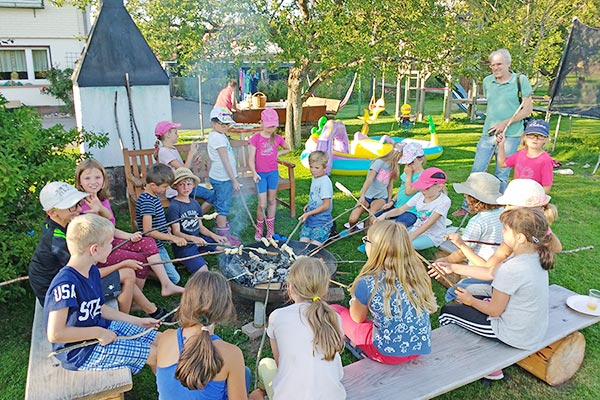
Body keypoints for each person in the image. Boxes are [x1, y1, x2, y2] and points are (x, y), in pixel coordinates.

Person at [433, 207, 553, 379]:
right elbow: (489, 273)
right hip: (531, 329)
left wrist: (470, 301)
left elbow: (495, 311)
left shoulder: (512, 268)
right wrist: (451, 267)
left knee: (447, 313)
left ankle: (480, 362)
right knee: (472, 295)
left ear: (519, 237)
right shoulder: (535, 255)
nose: (501, 231)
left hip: (513, 334)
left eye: (505, 229)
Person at [44, 214, 160, 374]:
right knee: (154, 354)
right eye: (110, 243)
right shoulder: (65, 284)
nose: (113, 246)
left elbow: (100, 308)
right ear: (95, 249)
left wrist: (137, 321)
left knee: (158, 339)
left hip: (100, 328)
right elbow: (56, 334)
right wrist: (98, 333)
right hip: (81, 352)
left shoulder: (91, 270)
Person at [75, 158, 184, 300]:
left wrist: (129, 235)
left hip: (110, 240)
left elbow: (110, 227)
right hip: (97, 250)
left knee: (147, 242)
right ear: (79, 181)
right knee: (139, 259)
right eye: (87, 178)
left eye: (97, 177)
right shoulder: (78, 204)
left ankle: (166, 284)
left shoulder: (102, 200)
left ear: (103, 179)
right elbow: (89, 231)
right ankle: (133, 298)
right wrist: (96, 211)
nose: (93, 181)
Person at [29, 182, 145, 314]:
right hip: (59, 295)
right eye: (71, 207)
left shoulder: (64, 223)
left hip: (68, 280)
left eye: (79, 203)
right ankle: (122, 323)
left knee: (125, 272)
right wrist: (122, 264)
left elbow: (107, 224)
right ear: (52, 212)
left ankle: (151, 309)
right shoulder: (57, 242)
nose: (79, 209)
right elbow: (87, 273)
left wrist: (97, 210)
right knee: (128, 274)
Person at [331, 221, 438, 364]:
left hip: (386, 353)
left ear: (376, 248)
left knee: (335, 310)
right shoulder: (418, 274)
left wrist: (353, 301)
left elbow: (357, 318)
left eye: (366, 240)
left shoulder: (367, 282)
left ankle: (360, 348)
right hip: (419, 347)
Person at [156, 270, 263, 400]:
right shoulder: (231, 354)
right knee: (244, 374)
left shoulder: (166, 337)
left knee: (244, 373)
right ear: (225, 309)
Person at [453, 48, 533, 217]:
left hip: (510, 135)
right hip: (488, 134)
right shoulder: (488, 81)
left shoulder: (520, 80)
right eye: (492, 65)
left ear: (508, 64)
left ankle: (496, 209)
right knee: (477, 171)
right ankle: (467, 206)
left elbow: (527, 110)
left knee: (501, 173)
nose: (495, 68)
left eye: (499, 64)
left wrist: (504, 123)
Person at [257, 257, 345, 399]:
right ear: (325, 290)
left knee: (265, 364)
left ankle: (261, 393)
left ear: (290, 287)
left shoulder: (277, 317)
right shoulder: (334, 317)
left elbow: (280, 362)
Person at [445, 178, 562, 275]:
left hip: (505, 281)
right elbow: (558, 248)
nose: (504, 209)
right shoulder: (540, 231)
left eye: (508, 205)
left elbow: (488, 269)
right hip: (526, 281)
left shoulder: (514, 236)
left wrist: (461, 247)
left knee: (458, 291)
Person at [435, 172, 504, 302]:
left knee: (453, 288)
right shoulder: (504, 212)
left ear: (472, 199)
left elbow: (463, 252)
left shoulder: (478, 222)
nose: (465, 198)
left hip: (480, 269)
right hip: (501, 266)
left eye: (466, 195)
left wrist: (447, 260)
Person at [166, 167, 229, 274]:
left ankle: (225, 267)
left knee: (226, 246)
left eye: (189, 184)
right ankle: (186, 260)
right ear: (175, 186)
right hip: (185, 245)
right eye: (181, 184)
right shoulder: (174, 207)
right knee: (203, 271)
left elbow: (200, 227)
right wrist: (193, 238)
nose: (186, 187)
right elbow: (176, 232)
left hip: (198, 239)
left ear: (193, 185)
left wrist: (215, 236)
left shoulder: (194, 204)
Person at [135, 163, 188, 285]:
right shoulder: (147, 202)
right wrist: (173, 237)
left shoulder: (153, 196)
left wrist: (166, 229)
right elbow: (148, 231)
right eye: (164, 187)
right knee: (175, 279)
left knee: (172, 273)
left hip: (159, 244)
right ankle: (144, 270)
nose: (166, 189)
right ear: (153, 185)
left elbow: (156, 221)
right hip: (154, 247)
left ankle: (152, 266)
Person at [378, 167, 451, 251]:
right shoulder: (419, 196)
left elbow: (428, 224)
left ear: (439, 187)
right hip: (416, 228)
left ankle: (405, 261)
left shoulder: (444, 201)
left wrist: (409, 238)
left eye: (427, 188)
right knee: (395, 241)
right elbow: (400, 210)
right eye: (422, 187)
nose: (423, 190)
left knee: (406, 245)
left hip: (433, 235)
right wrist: (385, 215)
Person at [153, 120, 215, 212]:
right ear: (167, 134)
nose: (177, 135)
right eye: (175, 133)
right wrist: (191, 152)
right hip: (176, 190)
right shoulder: (164, 152)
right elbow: (183, 170)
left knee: (212, 195)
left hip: (185, 186)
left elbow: (182, 169)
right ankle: (195, 218)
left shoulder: (172, 149)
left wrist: (194, 163)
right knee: (212, 195)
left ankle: (195, 218)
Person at [248, 108, 290, 240]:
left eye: (273, 126)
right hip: (260, 175)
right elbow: (250, 159)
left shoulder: (277, 138)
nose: (270, 129)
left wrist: (278, 153)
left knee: (272, 200)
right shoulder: (255, 139)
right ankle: (259, 228)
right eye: (268, 125)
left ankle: (270, 229)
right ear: (261, 122)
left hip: (273, 174)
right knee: (262, 204)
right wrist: (254, 173)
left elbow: (288, 148)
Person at [346, 143, 402, 234]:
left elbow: (390, 185)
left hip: (380, 197)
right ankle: (352, 229)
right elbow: (369, 179)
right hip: (367, 195)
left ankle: (367, 230)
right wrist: (362, 196)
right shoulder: (379, 162)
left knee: (372, 219)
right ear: (400, 155)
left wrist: (388, 200)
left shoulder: (394, 167)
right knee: (353, 219)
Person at [207, 107, 242, 246]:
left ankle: (224, 233)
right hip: (223, 178)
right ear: (213, 123)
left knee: (223, 204)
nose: (226, 127)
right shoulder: (217, 138)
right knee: (223, 207)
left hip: (223, 177)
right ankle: (223, 238)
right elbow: (225, 161)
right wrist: (234, 180)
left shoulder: (218, 135)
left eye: (227, 124)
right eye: (223, 124)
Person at [497, 119, 553, 193]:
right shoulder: (520, 154)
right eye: (531, 135)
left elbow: (547, 187)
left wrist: (535, 200)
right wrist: (501, 146)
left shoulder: (545, 160)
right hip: (517, 194)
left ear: (546, 139)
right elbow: (502, 164)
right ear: (525, 137)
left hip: (534, 196)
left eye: (540, 136)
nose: (535, 139)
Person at [379, 142, 426, 215]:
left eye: (411, 162)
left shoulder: (423, 176)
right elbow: (402, 189)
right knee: (376, 218)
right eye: (407, 162)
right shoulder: (408, 171)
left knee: (396, 225)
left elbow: (408, 192)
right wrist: (392, 201)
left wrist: (408, 175)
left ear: (421, 160)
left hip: (411, 211)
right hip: (397, 206)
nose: (408, 165)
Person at [298, 151, 333, 246]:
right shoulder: (315, 177)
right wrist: (309, 205)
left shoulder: (325, 182)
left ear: (325, 168)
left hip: (321, 221)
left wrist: (308, 213)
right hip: (310, 220)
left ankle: (329, 232)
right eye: (311, 167)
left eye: (317, 168)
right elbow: (316, 196)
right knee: (302, 244)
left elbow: (326, 205)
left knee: (313, 247)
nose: (313, 170)